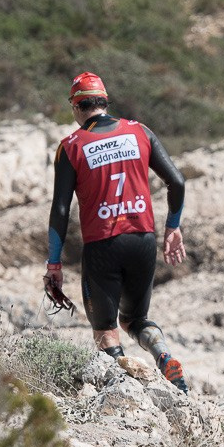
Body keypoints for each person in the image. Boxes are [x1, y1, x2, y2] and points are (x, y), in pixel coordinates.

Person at [45, 72, 189, 394]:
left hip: (103, 246)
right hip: (142, 240)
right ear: (105, 102)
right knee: (135, 319)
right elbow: (177, 182)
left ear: (76, 107)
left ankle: (127, 396)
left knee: (106, 331)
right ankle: (163, 355)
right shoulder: (140, 131)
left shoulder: (71, 146)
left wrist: (54, 265)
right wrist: (172, 227)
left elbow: (60, 210)